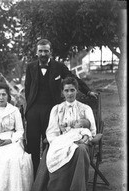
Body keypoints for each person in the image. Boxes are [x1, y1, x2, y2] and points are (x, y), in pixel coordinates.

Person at [24, 38, 98, 177]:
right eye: (40, 51)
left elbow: (73, 79)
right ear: (36, 52)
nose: (43, 54)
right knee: (32, 145)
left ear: (50, 52)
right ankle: (33, 178)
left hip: (52, 110)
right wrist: (29, 109)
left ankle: (47, 177)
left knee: (51, 143)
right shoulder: (30, 67)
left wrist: (87, 91)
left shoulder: (58, 67)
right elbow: (28, 89)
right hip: (34, 110)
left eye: (46, 51)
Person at [30, 77, 97, 191]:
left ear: (77, 91)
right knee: (50, 149)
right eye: (66, 90)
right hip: (61, 141)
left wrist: (84, 138)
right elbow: (51, 131)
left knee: (81, 150)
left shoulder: (85, 109)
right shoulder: (57, 109)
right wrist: (58, 142)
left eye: (72, 90)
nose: (70, 93)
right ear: (62, 92)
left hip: (80, 142)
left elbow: (92, 131)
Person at [0, 82, 34, 191]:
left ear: (8, 95)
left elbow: (20, 130)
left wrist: (10, 140)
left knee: (14, 158)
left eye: (3, 94)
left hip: (11, 138)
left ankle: (14, 189)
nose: (1, 97)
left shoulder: (14, 110)